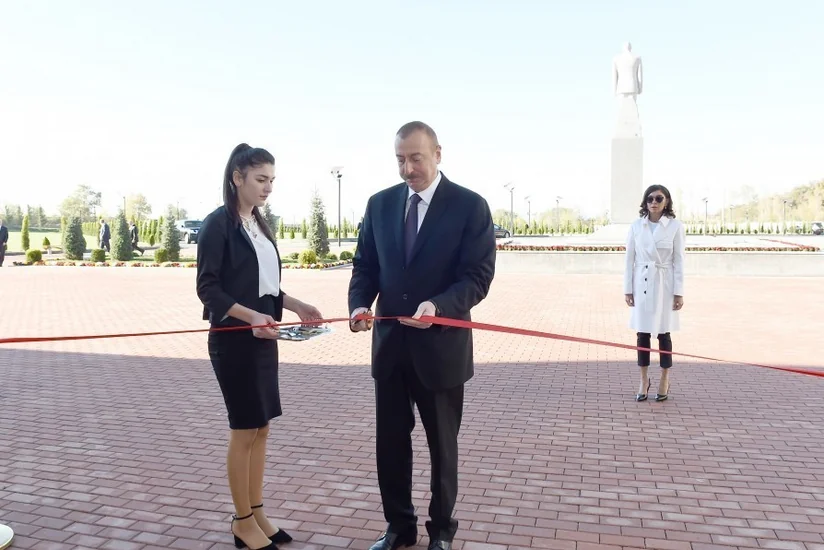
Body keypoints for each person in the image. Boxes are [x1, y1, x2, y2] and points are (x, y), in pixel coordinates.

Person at [348, 121, 496, 550]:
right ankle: (399, 527)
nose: (407, 168)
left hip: (441, 350)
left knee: (442, 449)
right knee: (391, 445)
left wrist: (440, 306)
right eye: (400, 159)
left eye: (415, 158)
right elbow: (365, 266)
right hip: (390, 348)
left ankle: (442, 532)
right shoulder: (379, 205)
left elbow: (477, 277)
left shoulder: (470, 206)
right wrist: (359, 304)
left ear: (437, 153)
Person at [197, 143, 323, 550]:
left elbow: (264, 284)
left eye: (272, 180)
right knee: (243, 428)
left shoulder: (259, 224)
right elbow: (208, 289)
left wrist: (294, 303)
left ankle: (257, 512)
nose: (268, 187)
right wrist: (249, 316)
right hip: (234, 341)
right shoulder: (218, 224)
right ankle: (241, 520)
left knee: (262, 427)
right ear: (238, 178)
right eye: (260, 179)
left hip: (263, 339)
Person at [623, 184, 685, 402]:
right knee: (642, 333)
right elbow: (629, 259)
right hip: (642, 283)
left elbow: (679, 261)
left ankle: (665, 378)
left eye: (659, 198)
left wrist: (679, 292)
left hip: (664, 284)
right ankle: (643, 379)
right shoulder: (636, 226)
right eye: (650, 199)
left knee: (663, 333)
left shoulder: (675, 226)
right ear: (645, 202)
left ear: (666, 201)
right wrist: (628, 290)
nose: (654, 202)